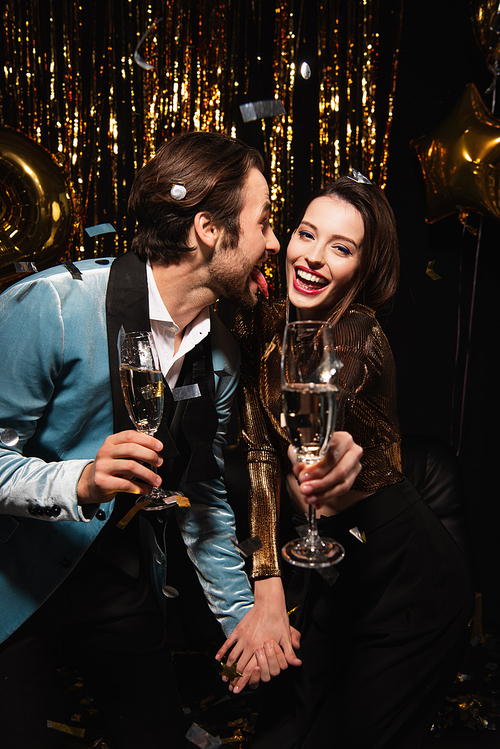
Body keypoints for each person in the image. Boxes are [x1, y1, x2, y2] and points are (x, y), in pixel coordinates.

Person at [0, 131, 362, 749]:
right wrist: (80, 480)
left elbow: (202, 493)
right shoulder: (49, 307)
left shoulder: (219, 353)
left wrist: (242, 617)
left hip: (122, 584)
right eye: (265, 223)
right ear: (208, 230)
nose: (275, 243)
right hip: (16, 590)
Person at [217, 174, 475, 748]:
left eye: (341, 247)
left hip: (410, 577)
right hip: (334, 561)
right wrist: (267, 584)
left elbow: (341, 387)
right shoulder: (260, 323)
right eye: (307, 234)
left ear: (362, 267)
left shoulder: (361, 335)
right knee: (285, 728)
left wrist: (333, 448)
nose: (312, 257)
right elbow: (260, 453)